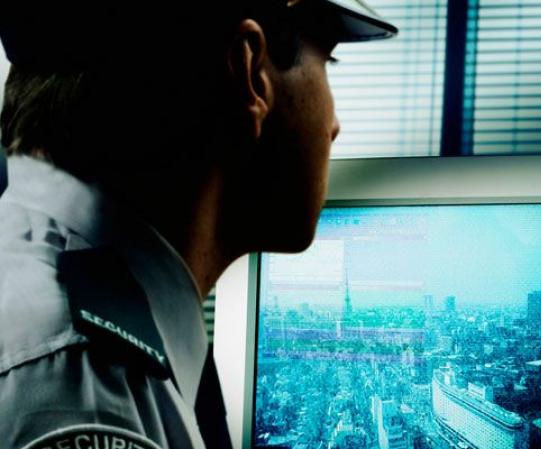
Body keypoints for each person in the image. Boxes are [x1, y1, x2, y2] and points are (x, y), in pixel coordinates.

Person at [0, 1, 396, 447]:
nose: (335, 126)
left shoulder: (49, 299)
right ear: (250, 72)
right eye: (328, 62)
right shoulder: (91, 389)